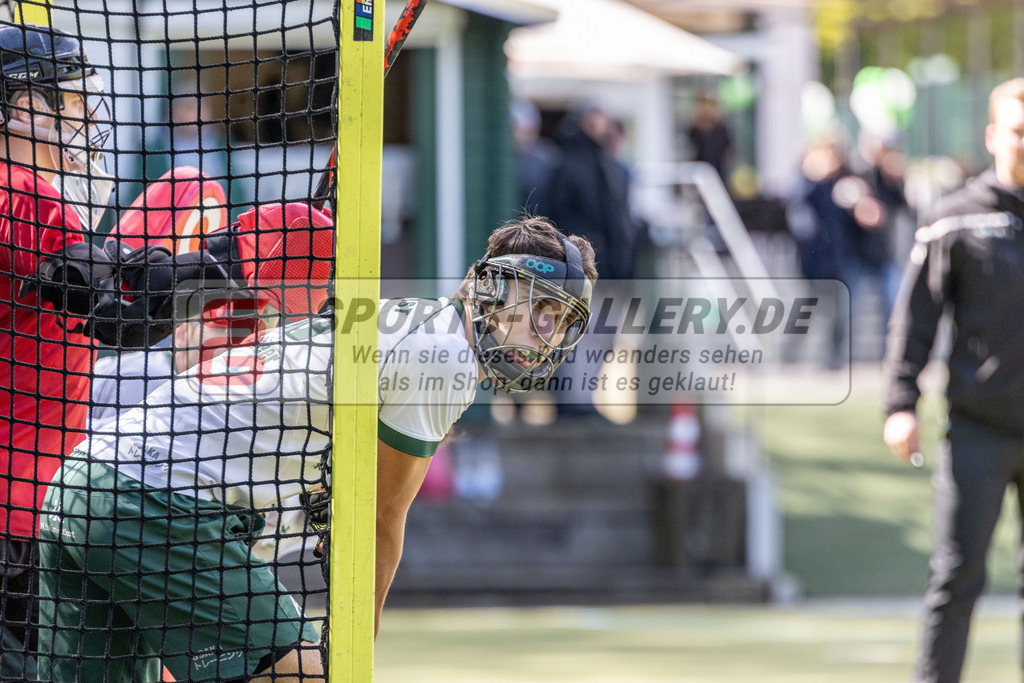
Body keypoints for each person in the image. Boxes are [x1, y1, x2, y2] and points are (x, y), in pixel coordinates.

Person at [36, 214, 597, 681]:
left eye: (558, 320)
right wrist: (356, 652)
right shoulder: (445, 354)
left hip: (82, 486)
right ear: (486, 287)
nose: (544, 332)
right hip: (156, 505)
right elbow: (379, 520)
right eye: (537, 307)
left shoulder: (406, 320)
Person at [882, 77, 1024, 683]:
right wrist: (900, 404)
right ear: (993, 136)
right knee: (957, 575)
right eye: (1019, 131)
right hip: (978, 429)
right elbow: (914, 319)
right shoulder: (953, 219)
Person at [687, 94, 733, 183]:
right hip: (700, 168)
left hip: (717, 168)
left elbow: (727, 149)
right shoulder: (695, 128)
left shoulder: (720, 128)